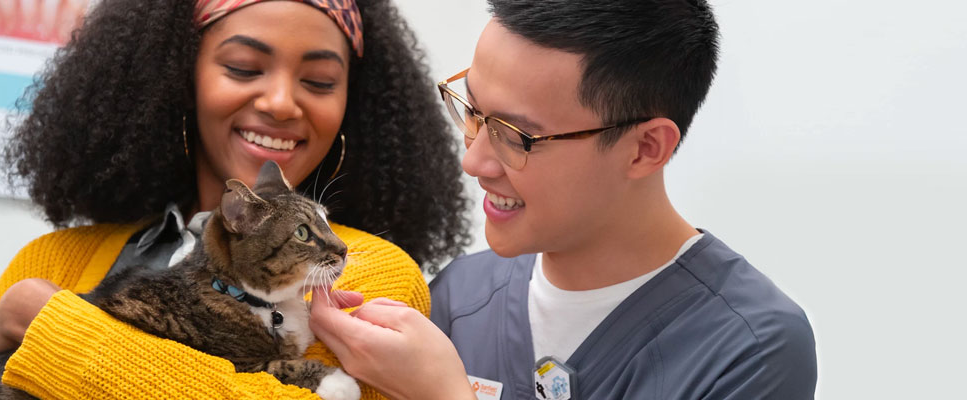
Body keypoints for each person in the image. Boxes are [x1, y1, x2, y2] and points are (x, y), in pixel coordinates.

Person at [0, 0, 472, 398]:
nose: (280, 102)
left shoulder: (369, 277)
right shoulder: (50, 261)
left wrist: (55, 327)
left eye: (318, 80)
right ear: (179, 80)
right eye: (244, 67)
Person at [310, 0, 818, 399]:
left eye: (516, 136)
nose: (475, 162)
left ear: (645, 149)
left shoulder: (750, 349)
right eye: (473, 112)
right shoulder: (456, 300)